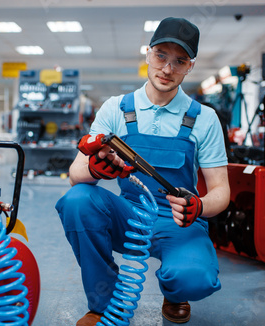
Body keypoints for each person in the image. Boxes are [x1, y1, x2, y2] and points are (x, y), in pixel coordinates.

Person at [55, 17, 230, 325]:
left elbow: (221, 191)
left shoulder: (204, 118)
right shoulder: (116, 108)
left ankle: (176, 292)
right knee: (78, 199)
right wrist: (95, 168)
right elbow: (75, 173)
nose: (167, 68)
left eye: (179, 61)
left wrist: (200, 205)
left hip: (179, 221)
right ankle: (103, 304)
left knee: (195, 279)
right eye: (161, 55)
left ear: (190, 66)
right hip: (130, 215)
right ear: (148, 53)